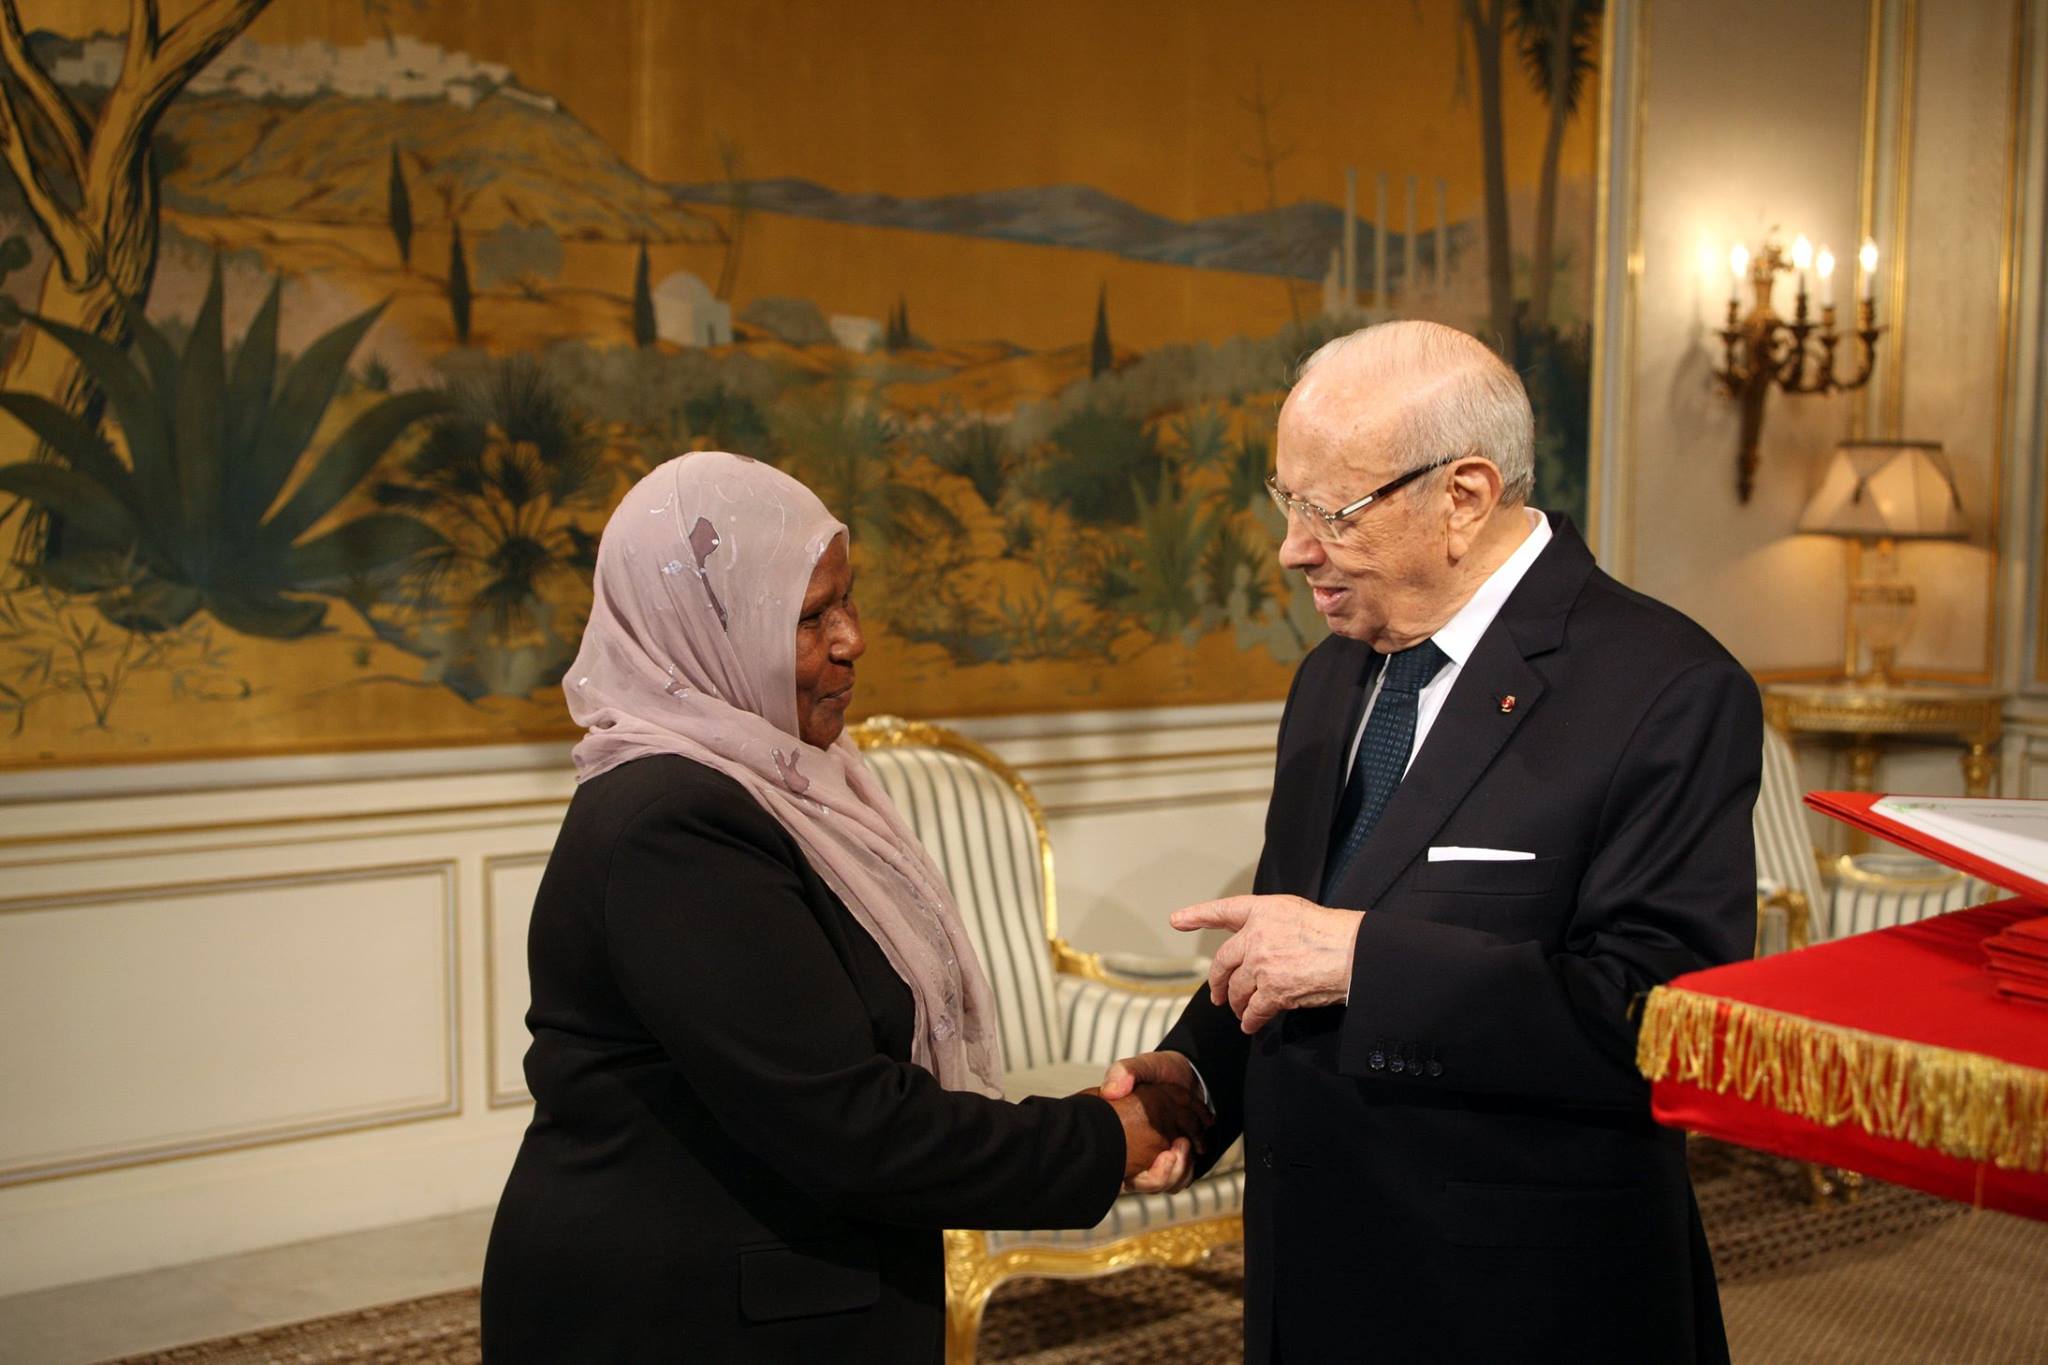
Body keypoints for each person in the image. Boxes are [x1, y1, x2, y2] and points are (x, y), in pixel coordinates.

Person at [1103, 321, 1761, 1362]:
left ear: (1463, 495)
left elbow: (1669, 1024)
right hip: (1310, 1285)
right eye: (1285, 502)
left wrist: (1369, 961)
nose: (1292, 548)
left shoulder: (1666, 688)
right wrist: (1193, 1081)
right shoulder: (1331, 673)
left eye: (1330, 512)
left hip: (1523, 1303)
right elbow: (1292, 939)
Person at [480, 452, 1207, 1362]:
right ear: (706, 632)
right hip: (680, 1318)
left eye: (848, 599)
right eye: (808, 615)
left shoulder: (796, 783)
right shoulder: (676, 824)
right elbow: (852, 1126)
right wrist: (1105, 1136)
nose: (851, 638)